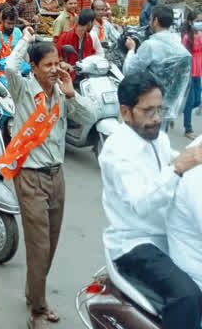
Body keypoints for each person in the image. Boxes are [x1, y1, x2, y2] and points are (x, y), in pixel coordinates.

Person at [2, 27, 95, 329]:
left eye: (58, 64)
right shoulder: (23, 88)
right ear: (35, 68)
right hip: (29, 177)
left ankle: (34, 292)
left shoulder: (62, 93)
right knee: (39, 244)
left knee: (51, 242)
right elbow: (10, 67)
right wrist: (26, 41)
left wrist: (72, 94)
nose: (56, 69)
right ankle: (38, 310)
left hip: (57, 176)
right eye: (49, 65)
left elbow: (87, 117)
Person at [100, 73, 202, 329]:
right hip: (135, 243)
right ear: (126, 112)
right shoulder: (116, 150)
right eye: (148, 110)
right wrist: (177, 167)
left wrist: (187, 160)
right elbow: (141, 203)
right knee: (187, 295)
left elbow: (175, 159)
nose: (157, 117)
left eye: (160, 109)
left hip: (167, 235)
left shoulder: (157, 137)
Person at [124, 4, 191, 129]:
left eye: (150, 18)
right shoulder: (178, 42)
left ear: (155, 20)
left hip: (149, 103)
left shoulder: (150, 46)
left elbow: (129, 71)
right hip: (169, 103)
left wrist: (131, 50)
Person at [56, 8, 103, 79]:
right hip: (68, 77)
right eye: (93, 22)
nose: (93, 25)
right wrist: (62, 62)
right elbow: (56, 55)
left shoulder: (88, 38)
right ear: (89, 23)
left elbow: (91, 55)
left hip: (84, 76)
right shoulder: (66, 36)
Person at [182, 10, 202, 139]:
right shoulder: (186, 37)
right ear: (190, 22)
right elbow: (183, 55)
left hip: (198, 71)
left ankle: (181, 109)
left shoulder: (200, 34)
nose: (200, 23)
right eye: (197, 21)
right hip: (189, 71)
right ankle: (188, 129)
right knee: (190, 101)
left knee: (197, 100)